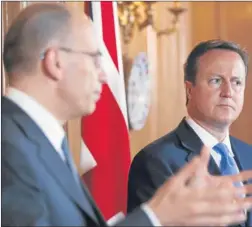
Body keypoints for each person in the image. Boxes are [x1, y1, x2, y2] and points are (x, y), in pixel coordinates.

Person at [2, 3, 252, 226]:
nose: (103, 75)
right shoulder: (7, 147)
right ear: (55, 62)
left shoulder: (42, 141)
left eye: (238, 82)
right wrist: (155, 217)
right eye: (95, 59)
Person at [127, 39, 252, 226]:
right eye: (216, 81)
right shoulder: (155, 161)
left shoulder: (248, 153)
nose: (228, 92)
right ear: (189, 89)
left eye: (237, 82)